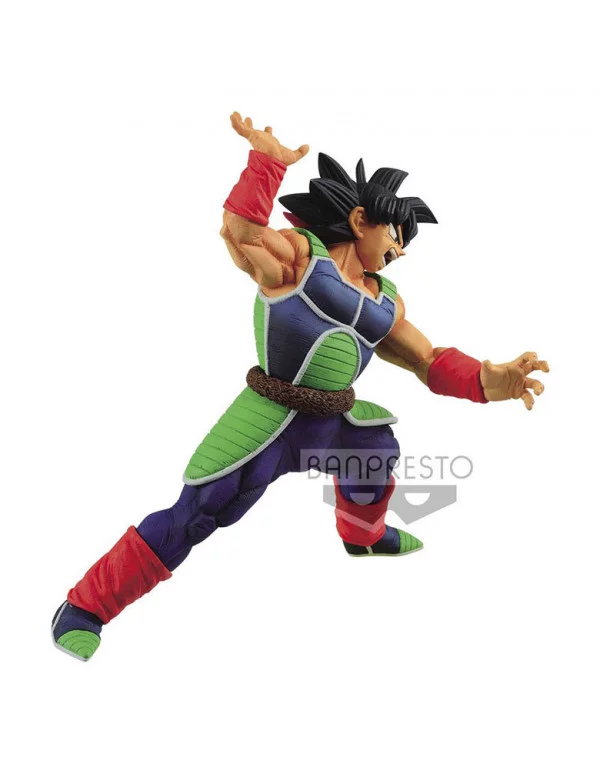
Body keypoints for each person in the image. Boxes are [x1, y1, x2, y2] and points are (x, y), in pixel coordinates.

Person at [52, 113, 549, 660]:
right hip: (271, 417)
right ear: (360, 220)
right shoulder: (300, 260)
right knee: (201, 510)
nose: (400, 250)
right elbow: (240, 233)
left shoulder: (386, 299)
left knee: (375, 452)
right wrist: (265, 164)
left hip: (332, 422)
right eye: (395, 234)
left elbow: (426, 359)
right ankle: (85, 608)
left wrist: (489, 381)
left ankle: (363, 537)